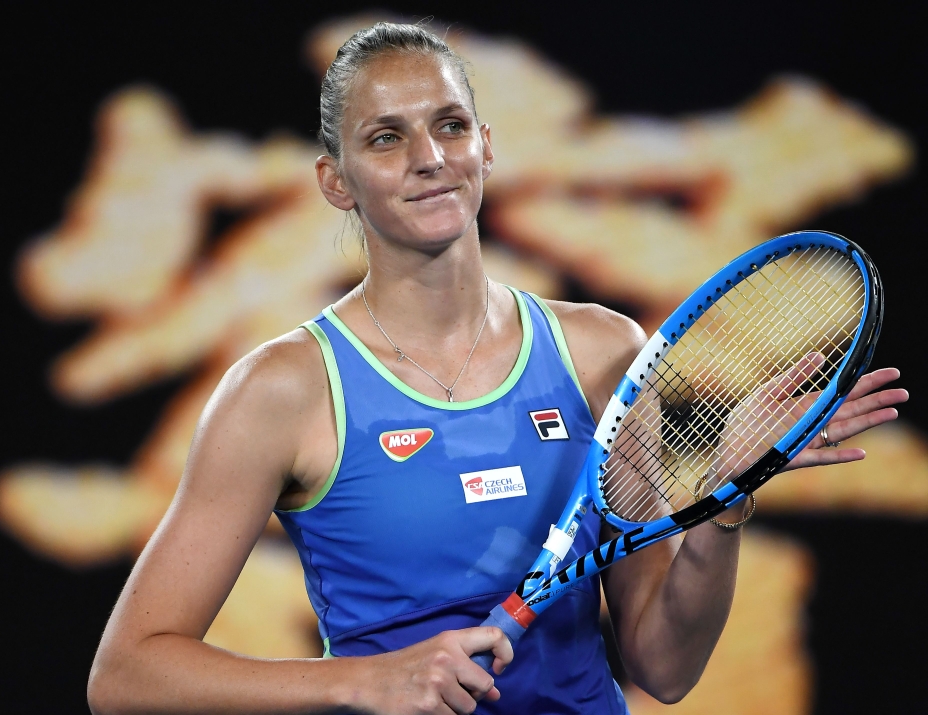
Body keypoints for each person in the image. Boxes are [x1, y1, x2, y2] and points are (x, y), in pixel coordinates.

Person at [87, 22, 907, 715]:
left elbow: (664, 666)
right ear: (337, 183)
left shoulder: (603, 353)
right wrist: (367, 679)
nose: (428, 156)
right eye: (385, 137)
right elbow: (124, 674)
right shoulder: (283, 389)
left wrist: (726, 502)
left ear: (485, 145)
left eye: (449, 125)